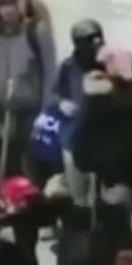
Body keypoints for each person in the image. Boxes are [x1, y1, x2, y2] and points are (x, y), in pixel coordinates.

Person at [0, 0, 58, 177]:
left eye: (12, 4)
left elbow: (50, 71)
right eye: (2, 5)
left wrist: (45, 112)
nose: (8, 10)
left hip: (31, 110)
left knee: (34, 162)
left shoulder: (37, 31)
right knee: (7, 162)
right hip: (3, 110)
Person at [71, 47, 132, 201]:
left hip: (93, 153)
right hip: (110, 158)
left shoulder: (97, 86)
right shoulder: (109, 90)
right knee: (122, 192)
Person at [55, 19, 107, 201]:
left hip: (102, 129)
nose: (96, 45)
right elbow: (57, 92)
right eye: (89, 40)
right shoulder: (68, 66)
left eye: (98, 39)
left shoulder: (108, 64)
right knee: (74, 174)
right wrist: (63, 103)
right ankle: (78, 213)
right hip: (74, 130)